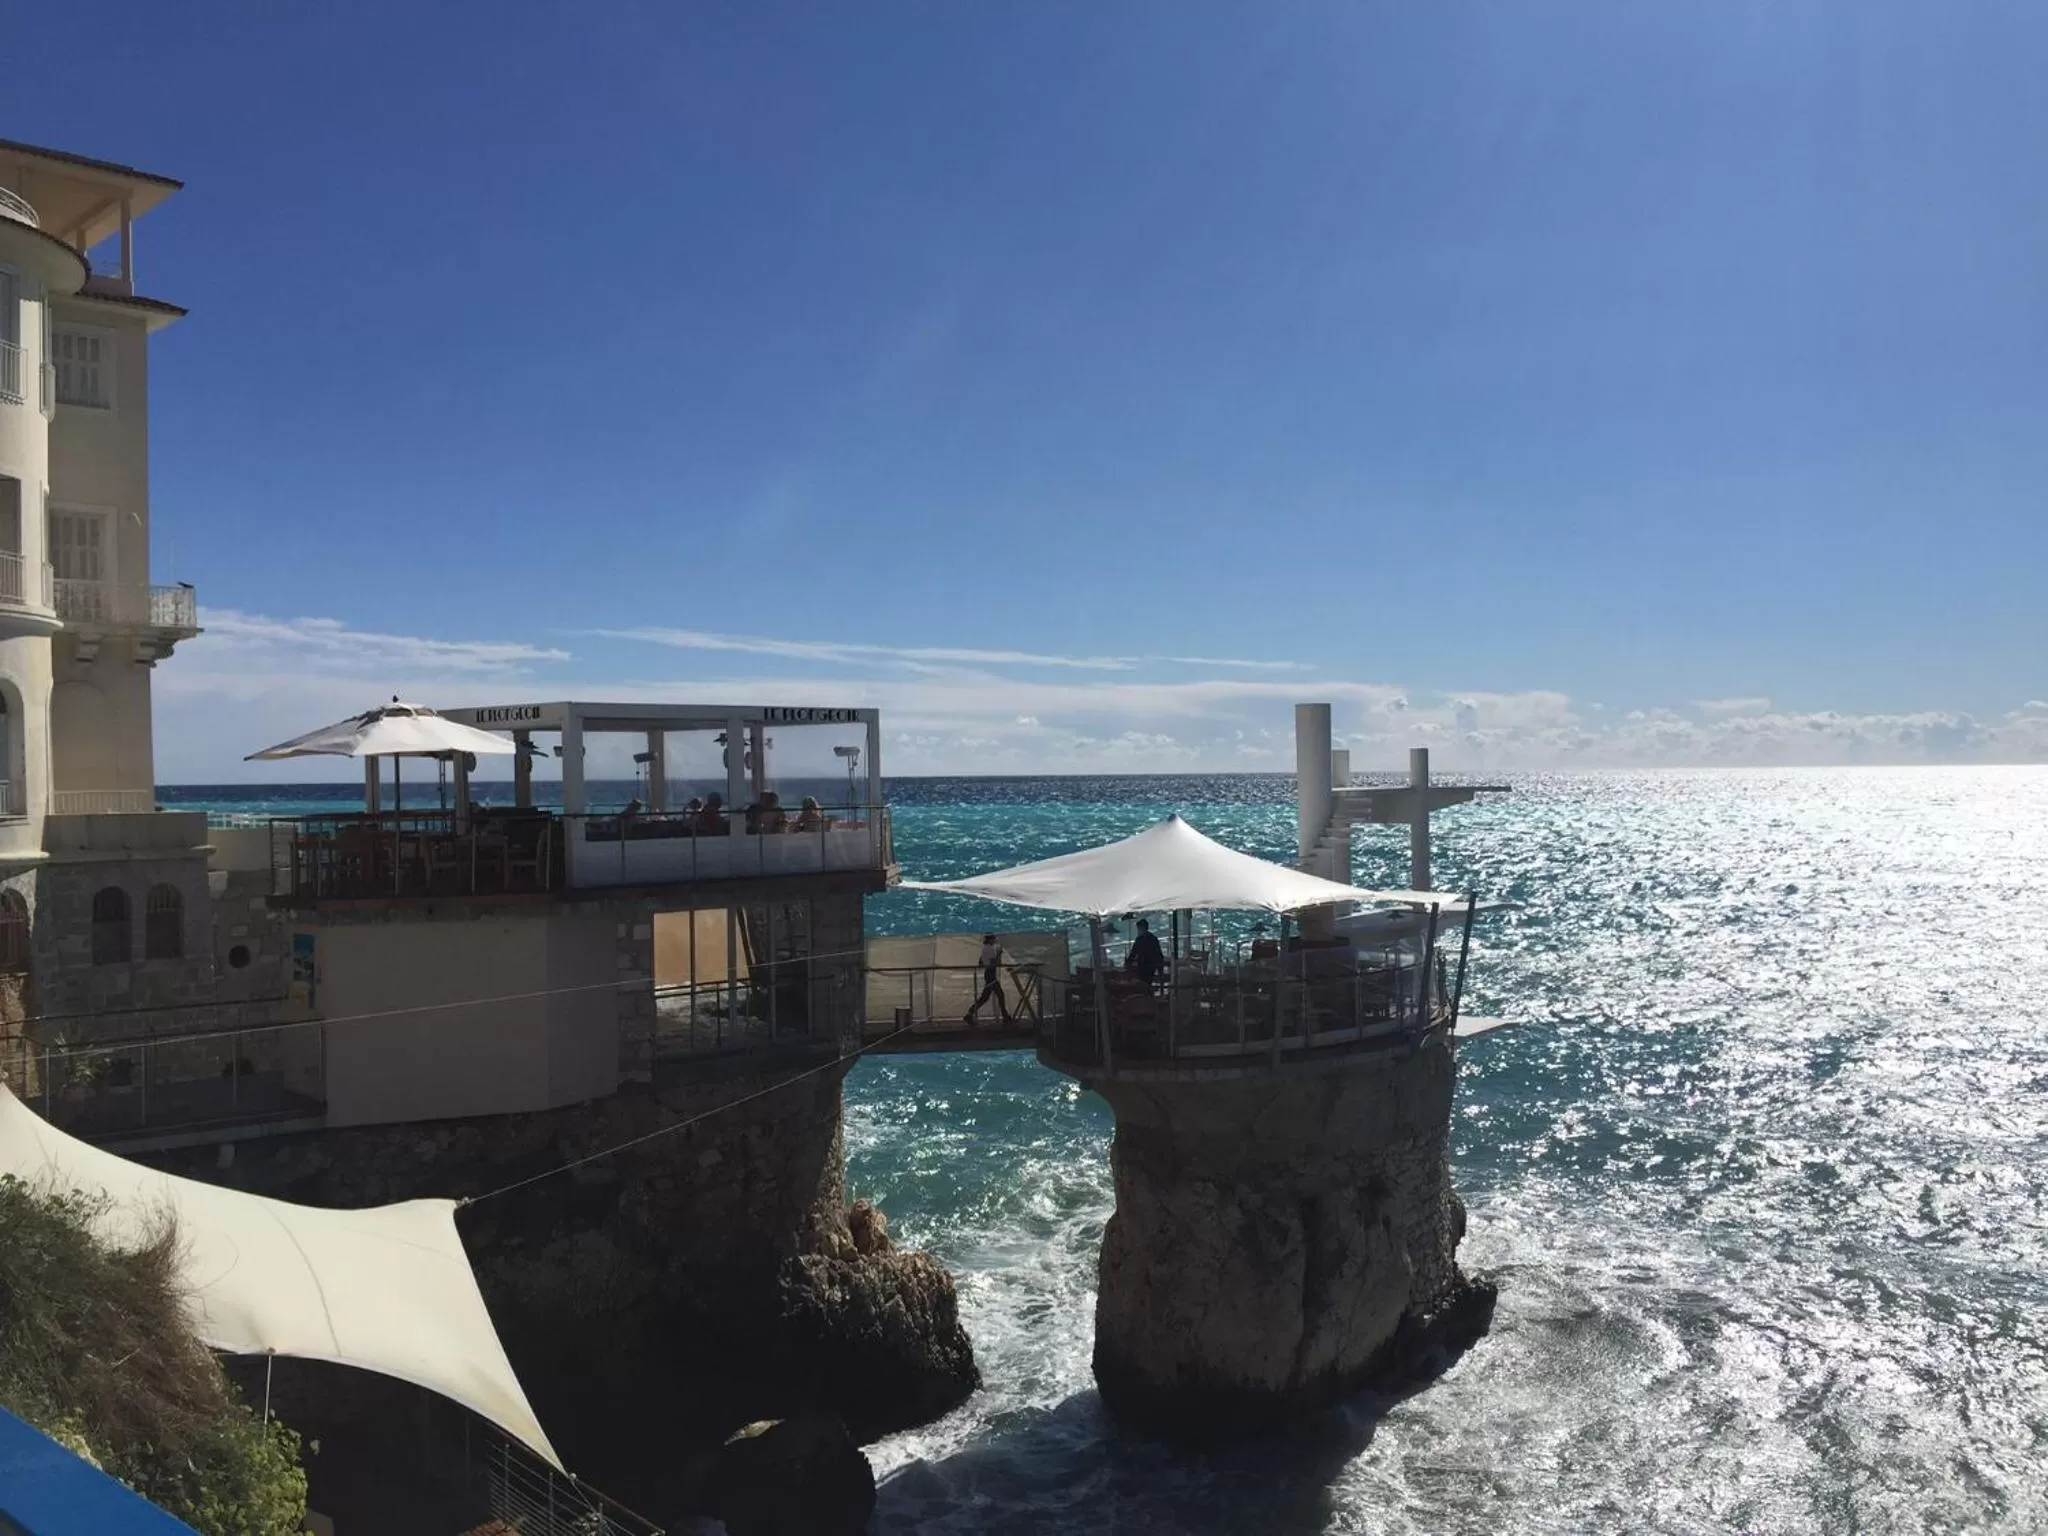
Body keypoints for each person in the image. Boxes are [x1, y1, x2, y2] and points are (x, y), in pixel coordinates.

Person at [965, 933, 1010, 1026]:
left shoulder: (985, 948)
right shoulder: (990, 949)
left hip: (989, 974)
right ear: (990, 939)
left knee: (985, 998)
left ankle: (970, 1013)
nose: (995, 940)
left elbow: (980, 962)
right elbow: (994, 963)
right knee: (1000, 995)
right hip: (991, 974)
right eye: (994, 939)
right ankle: (1005, 1017)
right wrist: (999, 953)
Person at [1125, 918, 1166, 988]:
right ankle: (1148, 995)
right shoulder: (1153, 938)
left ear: (1142, 928)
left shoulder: (1140, 939)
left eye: (1138, 929)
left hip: (1143, 966)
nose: (1138, 931)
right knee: (1147, 984)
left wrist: (1128, 963)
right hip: (1151, 966)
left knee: (1142, 984)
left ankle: (1145, 996)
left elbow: (1133, 953)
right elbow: (1159, 954)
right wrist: (1160, 969)